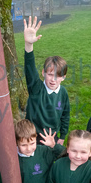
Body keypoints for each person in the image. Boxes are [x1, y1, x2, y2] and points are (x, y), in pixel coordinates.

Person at [24, 16, 69, 145]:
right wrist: (29, 44)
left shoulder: (63, 93)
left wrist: (62, 136)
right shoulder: (36, 88)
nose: (53, 80)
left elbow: (65, 115)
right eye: (50, 74)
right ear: (43, 73)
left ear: (63, 77)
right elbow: (29, 68)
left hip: (52, 138)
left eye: (58, 76)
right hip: (32, 138)